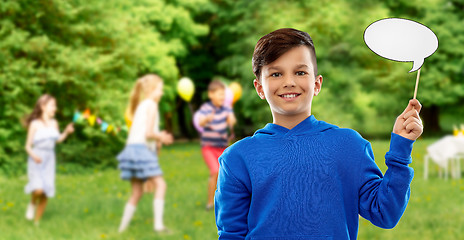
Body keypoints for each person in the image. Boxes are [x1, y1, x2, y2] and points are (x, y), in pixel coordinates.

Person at [214, 28, 423, 239]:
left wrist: (400, 151)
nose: (289, 82)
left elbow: (385, 213)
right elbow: (231, 234)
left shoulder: (349, 145)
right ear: (259, 87)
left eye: (300, 72)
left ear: (317, 84)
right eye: (276, 74)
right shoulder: (237, 158)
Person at [117, 74, 174, 233]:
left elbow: (145, 134)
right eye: (160, 89)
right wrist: (162, 136)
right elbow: (149, 133)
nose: (161, 93)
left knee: (137, 192)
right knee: (161, 185)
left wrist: (157, 142)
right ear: (151, 90)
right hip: (140, 149)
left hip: (131, 149)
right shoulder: (152, 105)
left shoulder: (142, 105)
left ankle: (121, 229)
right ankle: (158, 226)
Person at [24, 94, 74, 225]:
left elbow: (57, 140)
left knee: (46, 191)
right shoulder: (35, 124)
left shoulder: (54, 123)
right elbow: (27, 146)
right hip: (37, 158)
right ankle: (32, 203)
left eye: (55, 105)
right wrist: (34, 156)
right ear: (43, 106)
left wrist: (66, 132)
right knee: (38, 189)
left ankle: (36, 223)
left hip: (49, 159)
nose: (55, 108)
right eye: (53, 105)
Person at [197, 80, 236, 211]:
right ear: (211, 94)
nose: (222, 97)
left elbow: (232, 120)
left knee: (225, 174)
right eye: (219, 94)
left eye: (223, 95)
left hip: (222, 147)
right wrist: (206, 119)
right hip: (208, 147)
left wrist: (231, 120)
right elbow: (200, 123)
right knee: (215, 171)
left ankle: (223, 200)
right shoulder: (206, 108)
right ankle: (210, 203)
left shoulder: (226, 109)